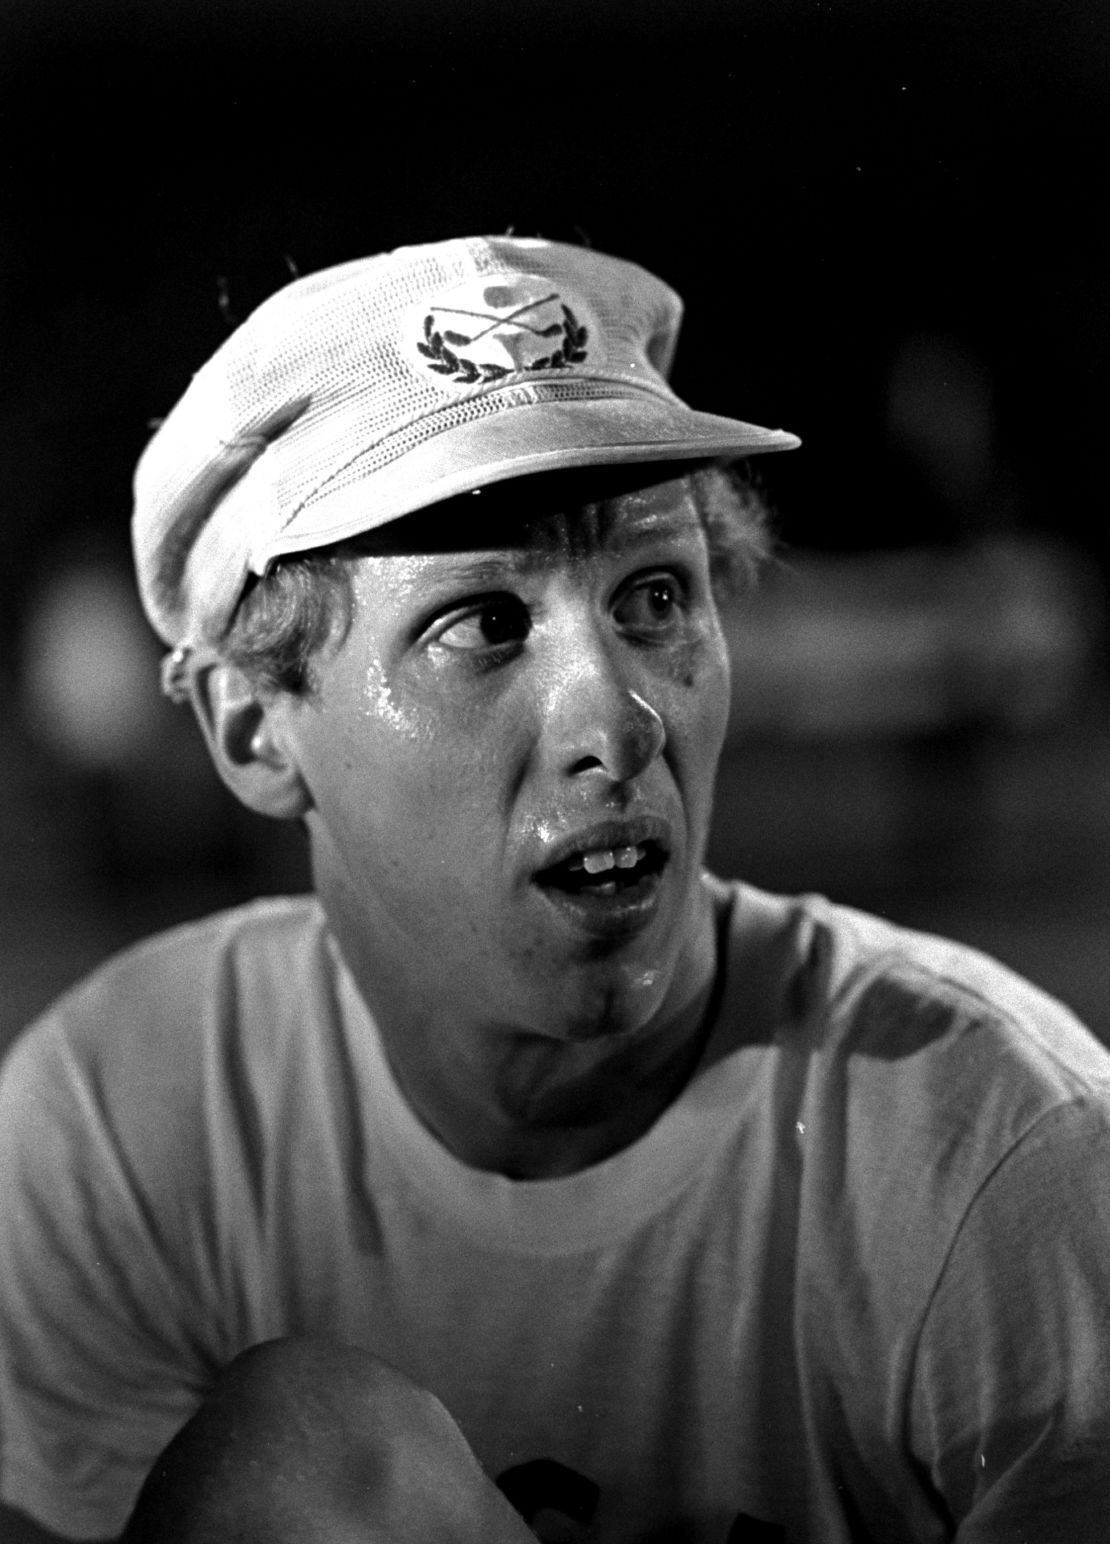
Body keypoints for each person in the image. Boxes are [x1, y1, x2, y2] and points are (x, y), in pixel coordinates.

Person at [2, 235, 1109, 1544]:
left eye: (651, 597)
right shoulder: (121, 1124)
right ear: (254, 727)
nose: (617, 715)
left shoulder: (1008, 1153)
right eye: (482, 622)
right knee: (307, 1463)